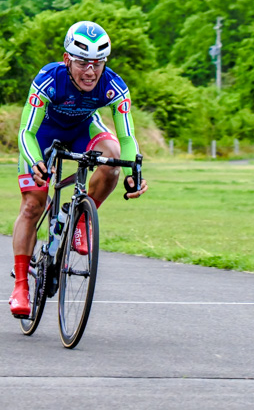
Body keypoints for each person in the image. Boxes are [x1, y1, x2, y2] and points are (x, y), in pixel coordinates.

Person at [9, 21, 149, 317]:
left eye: (98, 63)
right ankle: (21, 285)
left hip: (82, 129)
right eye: (83, 62)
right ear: (67, 60)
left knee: (111, 159)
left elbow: (126, 138)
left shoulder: (113, 86)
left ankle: (80, 220)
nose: (91, 71)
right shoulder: (49, 79)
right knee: (33, 204)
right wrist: (35, 161)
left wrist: (132, 175)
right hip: (42, 135)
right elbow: (25, 131)